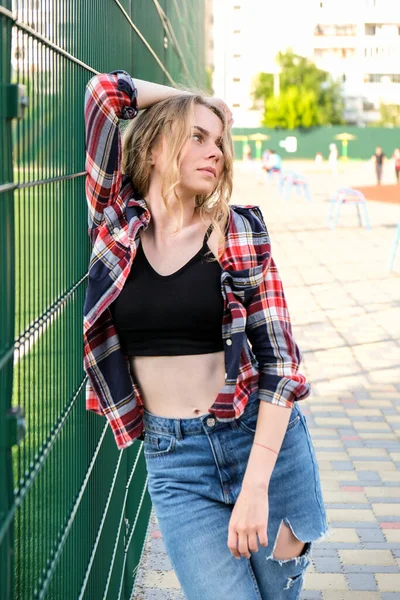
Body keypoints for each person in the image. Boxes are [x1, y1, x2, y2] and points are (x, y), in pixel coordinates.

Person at [83, 70, 327, 600]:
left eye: (219, 141)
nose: (215, 150)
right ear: (152, 149)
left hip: (264, 445)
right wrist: (201, 101)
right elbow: (103, 93)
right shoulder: (114, 226)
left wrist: (257, 486)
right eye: (196, 136)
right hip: (176, 461)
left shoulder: (236, 232)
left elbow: (282, 366)